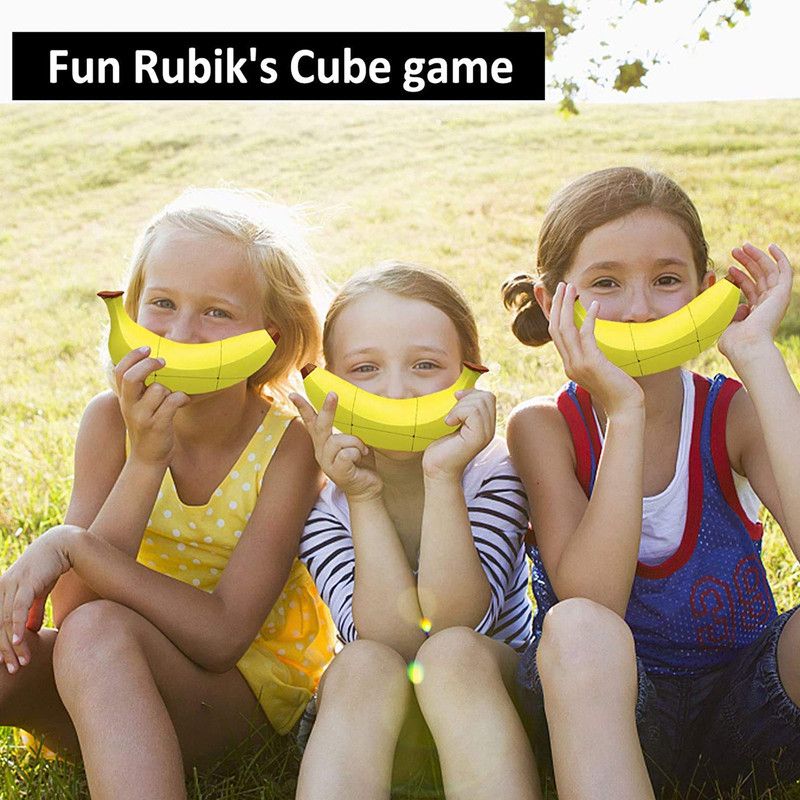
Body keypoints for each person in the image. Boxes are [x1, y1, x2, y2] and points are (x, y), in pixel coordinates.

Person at [0, 187, 337, 800]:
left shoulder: (289, 446)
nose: (182, 333)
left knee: (99, 632)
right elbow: (70, 611)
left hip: (236, 694)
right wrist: (146, 459)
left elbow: (223, 638)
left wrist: (73, 545)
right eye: (162, 303)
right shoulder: (109, 422)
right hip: (108, 668)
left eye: (217, 312)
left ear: (271, 334)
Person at [503, 166, 800, 798]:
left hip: (745, 701)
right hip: (609, 712)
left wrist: (757, 355)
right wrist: (625, 413)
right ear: (554, 302)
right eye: (605, 283)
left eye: (667, 280)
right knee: (576, 626)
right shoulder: (544, 429)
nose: (639, 310)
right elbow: (593, 598)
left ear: (704, 292)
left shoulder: (731, 415)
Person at [290, 261, 539, 800]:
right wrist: (363, 497)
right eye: (365, 368)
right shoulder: (324, 501)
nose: (396, 391)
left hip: (491, 701)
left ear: (467, 376)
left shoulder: (495, 472)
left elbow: (457, 624)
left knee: (451, 655)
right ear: (329, 383)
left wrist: (443, 476)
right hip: (376, 718)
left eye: (425, 365)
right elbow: (393, 642)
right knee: (362, 663)